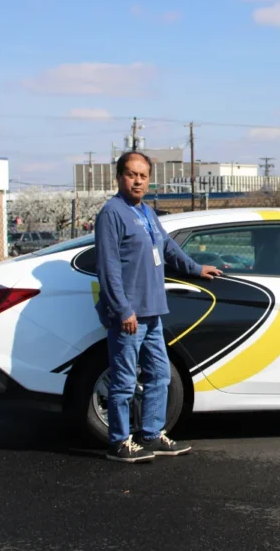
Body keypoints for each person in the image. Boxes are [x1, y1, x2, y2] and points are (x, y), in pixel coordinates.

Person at [94, 150, 222, 463]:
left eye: (143, 176)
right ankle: (119, 442)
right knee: (124, 380)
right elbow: (108, 267)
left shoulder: (147, 213)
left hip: (153, 313)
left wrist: (195, 268)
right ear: (119, 177)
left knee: (159, 375)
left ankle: (151, 434)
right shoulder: (112, 213)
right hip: (130, 315)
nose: (137, 181)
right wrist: (123, 310)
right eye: (131, 174)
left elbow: (168, 248)